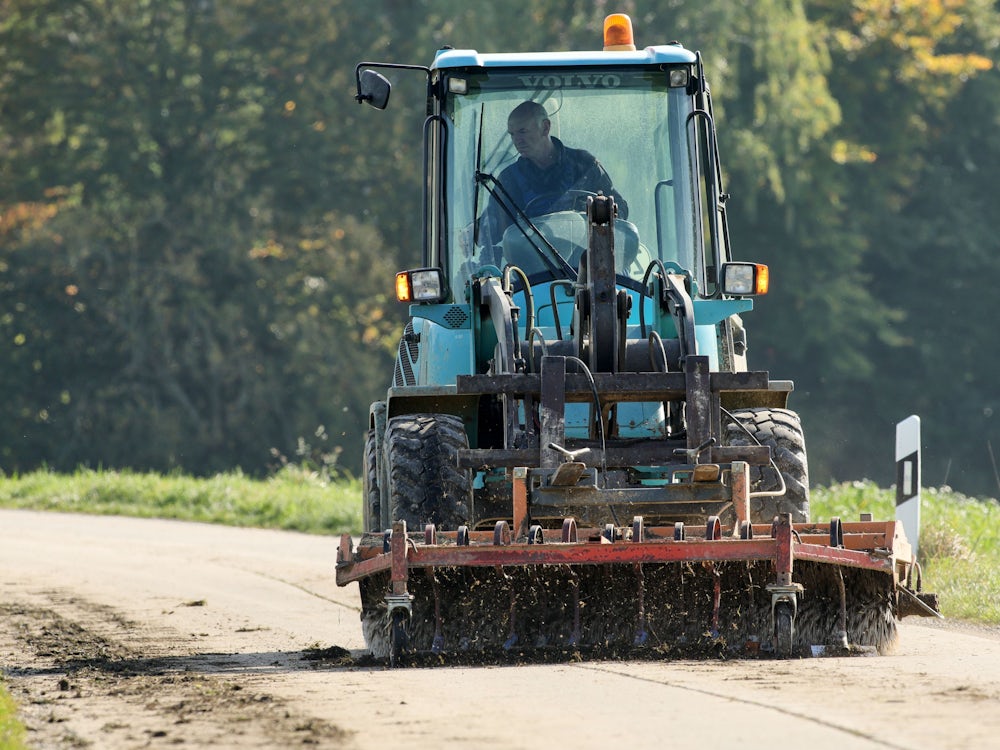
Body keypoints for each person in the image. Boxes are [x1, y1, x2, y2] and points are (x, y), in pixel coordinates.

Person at [479, 101, 628, 250]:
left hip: (587, 263)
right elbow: (494, 224)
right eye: (512, 134)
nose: (517, 141)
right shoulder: (509, 179)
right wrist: (472, 234)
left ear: (545, 127)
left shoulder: (584, 165)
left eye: (523, 131)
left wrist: (603, 212)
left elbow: (620, 209)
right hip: (532, 268)